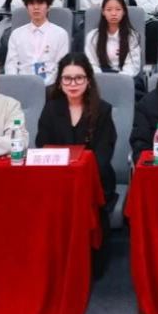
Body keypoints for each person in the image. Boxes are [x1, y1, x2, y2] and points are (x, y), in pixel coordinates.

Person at [38, 54, 120, 212]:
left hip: (93, 183)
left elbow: (103, 156)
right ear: (60, 82)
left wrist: (78, 179)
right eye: (67, 78)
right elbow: (43, 146)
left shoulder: (103, 110)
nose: (73, 84)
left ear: (88, 81)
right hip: (58, 182)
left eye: (79, 78)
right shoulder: (51, 109)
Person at [6, 0, 70, 84]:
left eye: (40, 3)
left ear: (48, 7)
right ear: (27, 8)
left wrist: (47, 84)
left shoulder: (60, 34)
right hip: (22, 83)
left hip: (51, 85)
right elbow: (11, 64)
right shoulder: (17, 34)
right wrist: (15, 84)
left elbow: (61, 65)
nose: (36, 7)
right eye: (31, 4)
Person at [86, 0, 143, 75]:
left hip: (125, 77)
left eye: (118, 9)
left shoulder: (132, 36)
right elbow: (91, 64)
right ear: (103, 12)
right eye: (109, 10)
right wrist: (103, 77)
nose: (113, 13)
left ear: (124, 12)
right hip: (100, 77)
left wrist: (118, 78)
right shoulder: (93, 36)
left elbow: (133, 65)